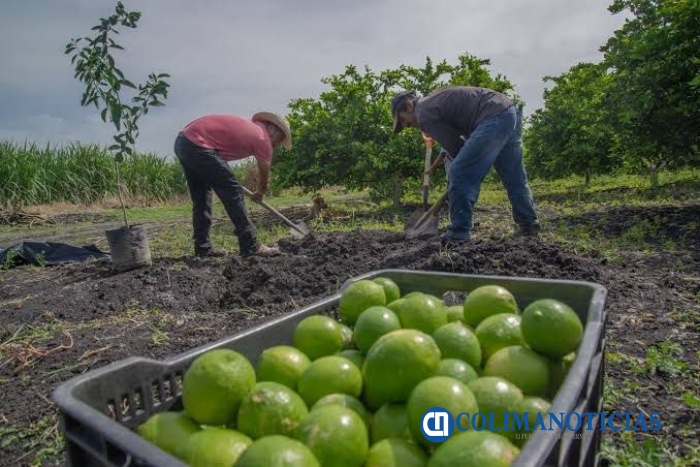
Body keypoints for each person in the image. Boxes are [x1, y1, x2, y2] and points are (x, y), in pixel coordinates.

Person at [391, 86, 541, 246]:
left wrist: (464, 174)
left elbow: (456, 147)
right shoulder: (431, 102)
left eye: (403, 120)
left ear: (408, 106)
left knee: (458, 172)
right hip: (508, 111)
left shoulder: (422, 114)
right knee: (514, 176)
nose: (406, 125)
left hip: (491, 116)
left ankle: (458, 234)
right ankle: (528, 224)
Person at [173, 112, 292, 258]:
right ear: (272, 128)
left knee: (202, 198)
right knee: (232, 190)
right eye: (279, 139)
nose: (276, 144)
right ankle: (251, 245)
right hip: (198, 144)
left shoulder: (251, 128)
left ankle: (202, 248)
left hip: (184, 142)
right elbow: (264, 170)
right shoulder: (262, 137)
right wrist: (260, 191)